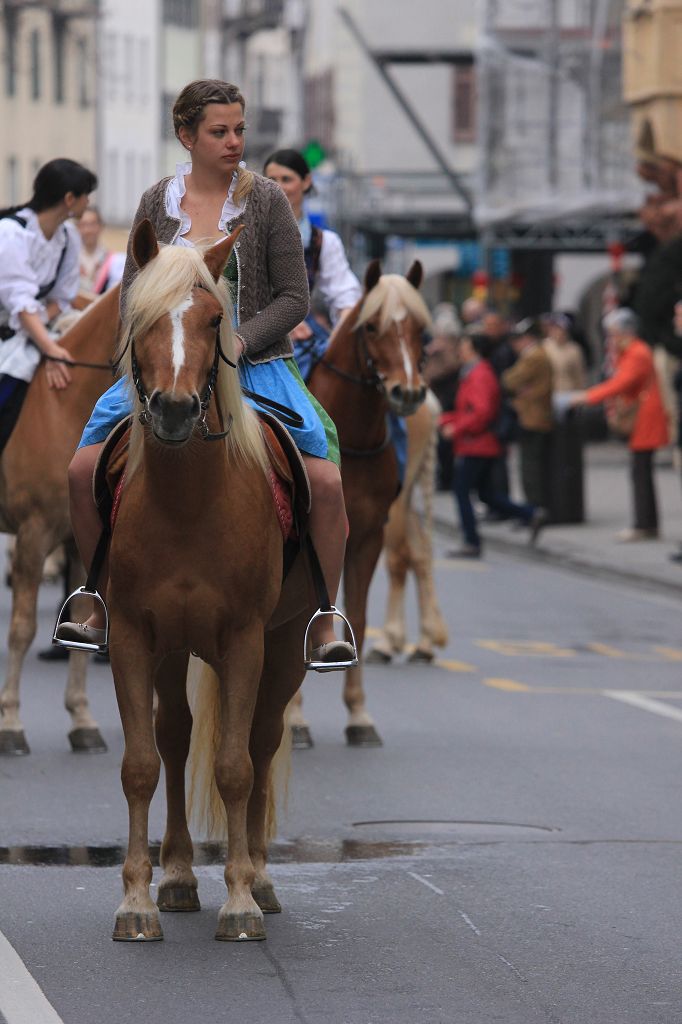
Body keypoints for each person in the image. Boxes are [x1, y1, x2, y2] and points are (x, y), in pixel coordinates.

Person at [55, 79, 355, 668]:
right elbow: (132, 298)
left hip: (256, 367)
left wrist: (239, 340)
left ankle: (324, 613)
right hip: (166, 370)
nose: (234, 141)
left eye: (239, 130)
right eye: (220, 131)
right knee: (80, 469)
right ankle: (98, 598)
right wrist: (144, 361)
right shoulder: (155, 202)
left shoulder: (267, 200)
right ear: (186, 135)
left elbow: (295, 298)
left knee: (325, 481)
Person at [263, 146, 409, 481]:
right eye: (272, 179)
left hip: (312, 330)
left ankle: (395, 478)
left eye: (287, 178)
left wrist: (344, 327)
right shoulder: (254, 233)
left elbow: (344, 294)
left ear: (306, 182)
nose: (279, 186)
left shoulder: (323, 241)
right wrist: (281, 322)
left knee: (379, 394)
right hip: (265, 329)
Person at [0, 158, 97, 452]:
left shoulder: (68, 238)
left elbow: (62, 298)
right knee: (12, 378)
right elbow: (19, 300)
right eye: (85, 195)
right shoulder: (10, 232)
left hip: (32, 328)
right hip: (5, 331)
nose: (88, 202)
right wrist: (49, 348)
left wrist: (41, 331)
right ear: (69, 199)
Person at [439, 333, 546, 557]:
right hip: (480, 443)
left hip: (477, 444)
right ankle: (530, 514)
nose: (460, 350)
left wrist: (457, 428)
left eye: (464, 346)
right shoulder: (474, 373)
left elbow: (481, 412)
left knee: (461, 491)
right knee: (487, 494)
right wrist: (445, 420)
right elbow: (467, 410)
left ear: (473, 350)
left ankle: (471, 541)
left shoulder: (479, 375)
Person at [571, 307, 669, 541]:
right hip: (642, 415)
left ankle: (644, 525)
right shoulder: (633, 351)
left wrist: (588, 396)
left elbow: (621, 383)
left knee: (640, 472)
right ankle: (647, 523)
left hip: (645, 417)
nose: (611, 339)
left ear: (626, 332)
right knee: (640, 471)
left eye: (613, 333)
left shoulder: (637, 353)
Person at [502, 318, 553, 513]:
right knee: (532, 465)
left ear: (527, 338)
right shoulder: (536, 354)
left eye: (519, 339)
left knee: (530, 467)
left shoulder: (533, 356)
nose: (515, 344)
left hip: (533, 416)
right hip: (533, 415)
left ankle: (534, 510)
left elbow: (509, 380)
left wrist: (520, 390)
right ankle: (535, 508)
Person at [543, 312, 586, 392]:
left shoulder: (574, 349)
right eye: (554, 328)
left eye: (560, 329)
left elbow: (579, 375)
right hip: (549, 392)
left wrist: (580, 391)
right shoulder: (544, 347)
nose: (557, 332)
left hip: (568, 391)